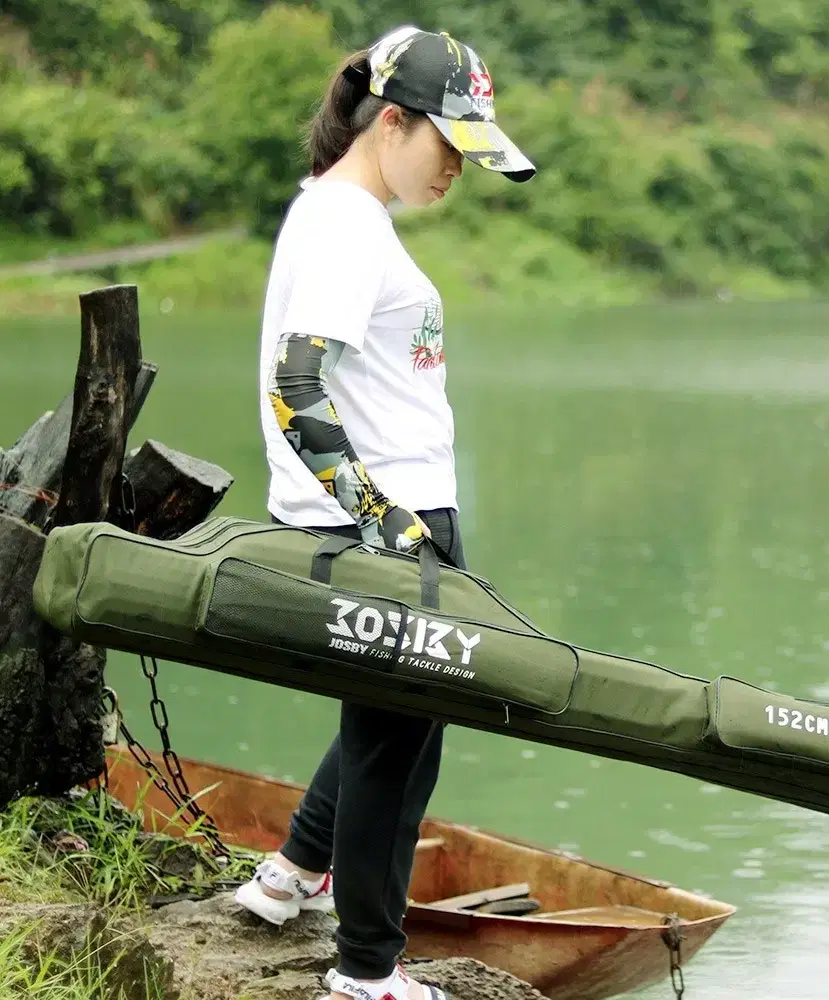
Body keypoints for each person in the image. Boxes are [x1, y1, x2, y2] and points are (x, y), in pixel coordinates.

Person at [233, 24, 535, 1000]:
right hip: (385, 523)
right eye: (447, 146)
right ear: (392, 119)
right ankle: (365, 975)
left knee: (389, 725)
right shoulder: (345, 226)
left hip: (389, 517)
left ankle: (289, 875)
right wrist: (383, 518)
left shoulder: (337, 213)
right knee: (398, 752)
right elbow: (295, 383)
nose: (456, 171)